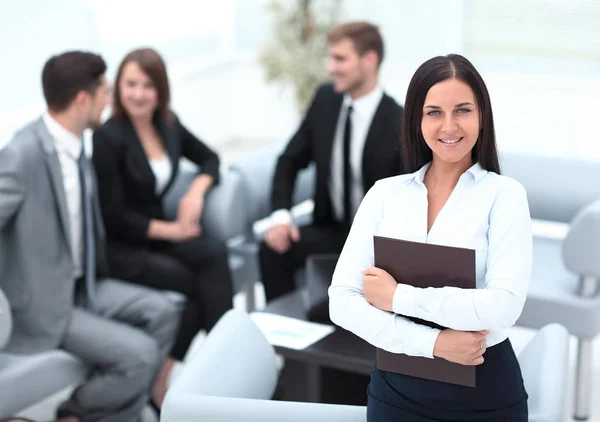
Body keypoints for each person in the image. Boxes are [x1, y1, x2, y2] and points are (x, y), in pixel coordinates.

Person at [329, 54, 532, 421]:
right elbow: (341, 301)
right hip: (395, 391)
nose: (449, 125)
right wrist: (435, 344)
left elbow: (504, 306)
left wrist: (396, 297)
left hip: (484, 393)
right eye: (434, 112)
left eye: (463, 110)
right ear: (416, 120)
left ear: (482, 116)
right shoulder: (384, 194)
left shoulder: (505, 195)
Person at [0, 51, 179, 422]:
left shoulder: (78, 143)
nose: (109, 100)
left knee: (163, 312)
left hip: (86, 287)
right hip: (44, 305)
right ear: (83, 99)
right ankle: (79, 409)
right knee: (142, 354)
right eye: (104, 92)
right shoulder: (23, 154)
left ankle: (91, 413)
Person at [92, 48, 234, 405]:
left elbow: (209, 158)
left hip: (157, 233)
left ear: (161, 89)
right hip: (123, 247)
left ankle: (187, 369)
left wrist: (196, 193)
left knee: (215, 255)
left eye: (148, 85)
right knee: (201, 284)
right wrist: (170, 231)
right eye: (131, 84)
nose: (139, 94)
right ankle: (217, 372)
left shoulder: (167, 124)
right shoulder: (107, 137)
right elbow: (112, 216)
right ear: (117, 88)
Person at [259, 21, 404, 304]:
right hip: (331, 231)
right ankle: (289, 339)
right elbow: (289, 161)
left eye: (340, 58)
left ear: (369, 60)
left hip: (377, 245)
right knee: (272, 248)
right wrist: (280, 218)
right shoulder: (326, 100)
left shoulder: (398, 121)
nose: (330, 67)